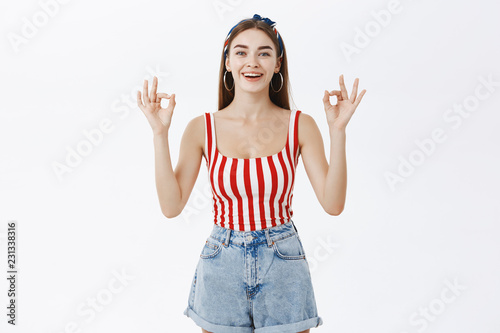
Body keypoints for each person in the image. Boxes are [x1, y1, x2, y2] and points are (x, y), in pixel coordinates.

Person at [137, 13, 366, 333]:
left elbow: (333, 203)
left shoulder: (300, 125)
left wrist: (338, 130)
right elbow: (171, 207)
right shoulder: (201, 129)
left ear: (277, 64)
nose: (252, 62)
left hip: (283, 263)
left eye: (264, 53)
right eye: (242, 52)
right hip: (221, 264)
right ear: (227, 62)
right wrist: (159, 134)